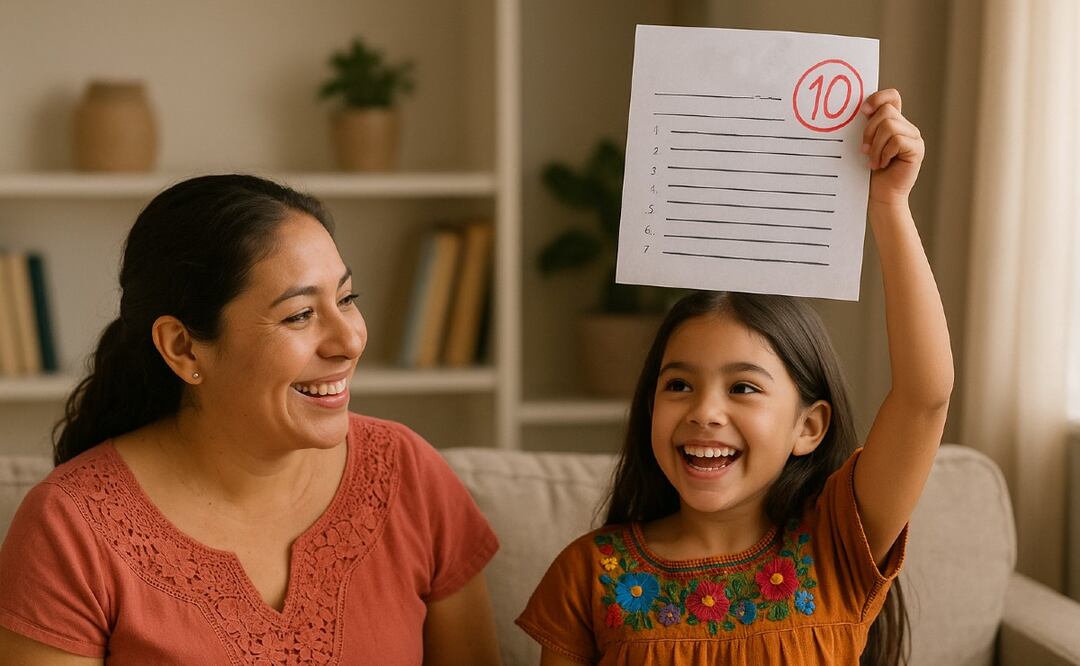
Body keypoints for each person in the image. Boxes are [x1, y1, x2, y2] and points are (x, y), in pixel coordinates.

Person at [516, 88, 951, 665]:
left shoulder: (838, 544)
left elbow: (926, 395)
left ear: (809, 426)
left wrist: (890, 206)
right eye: (678, 385)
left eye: (743, 387)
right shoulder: (590, 573)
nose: (704, 411)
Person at [0, 175, 501, 665]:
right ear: (183, 346)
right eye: (299, 315)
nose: (349, 341)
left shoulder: (409, 473)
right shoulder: (69, 526)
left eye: (346, 299)